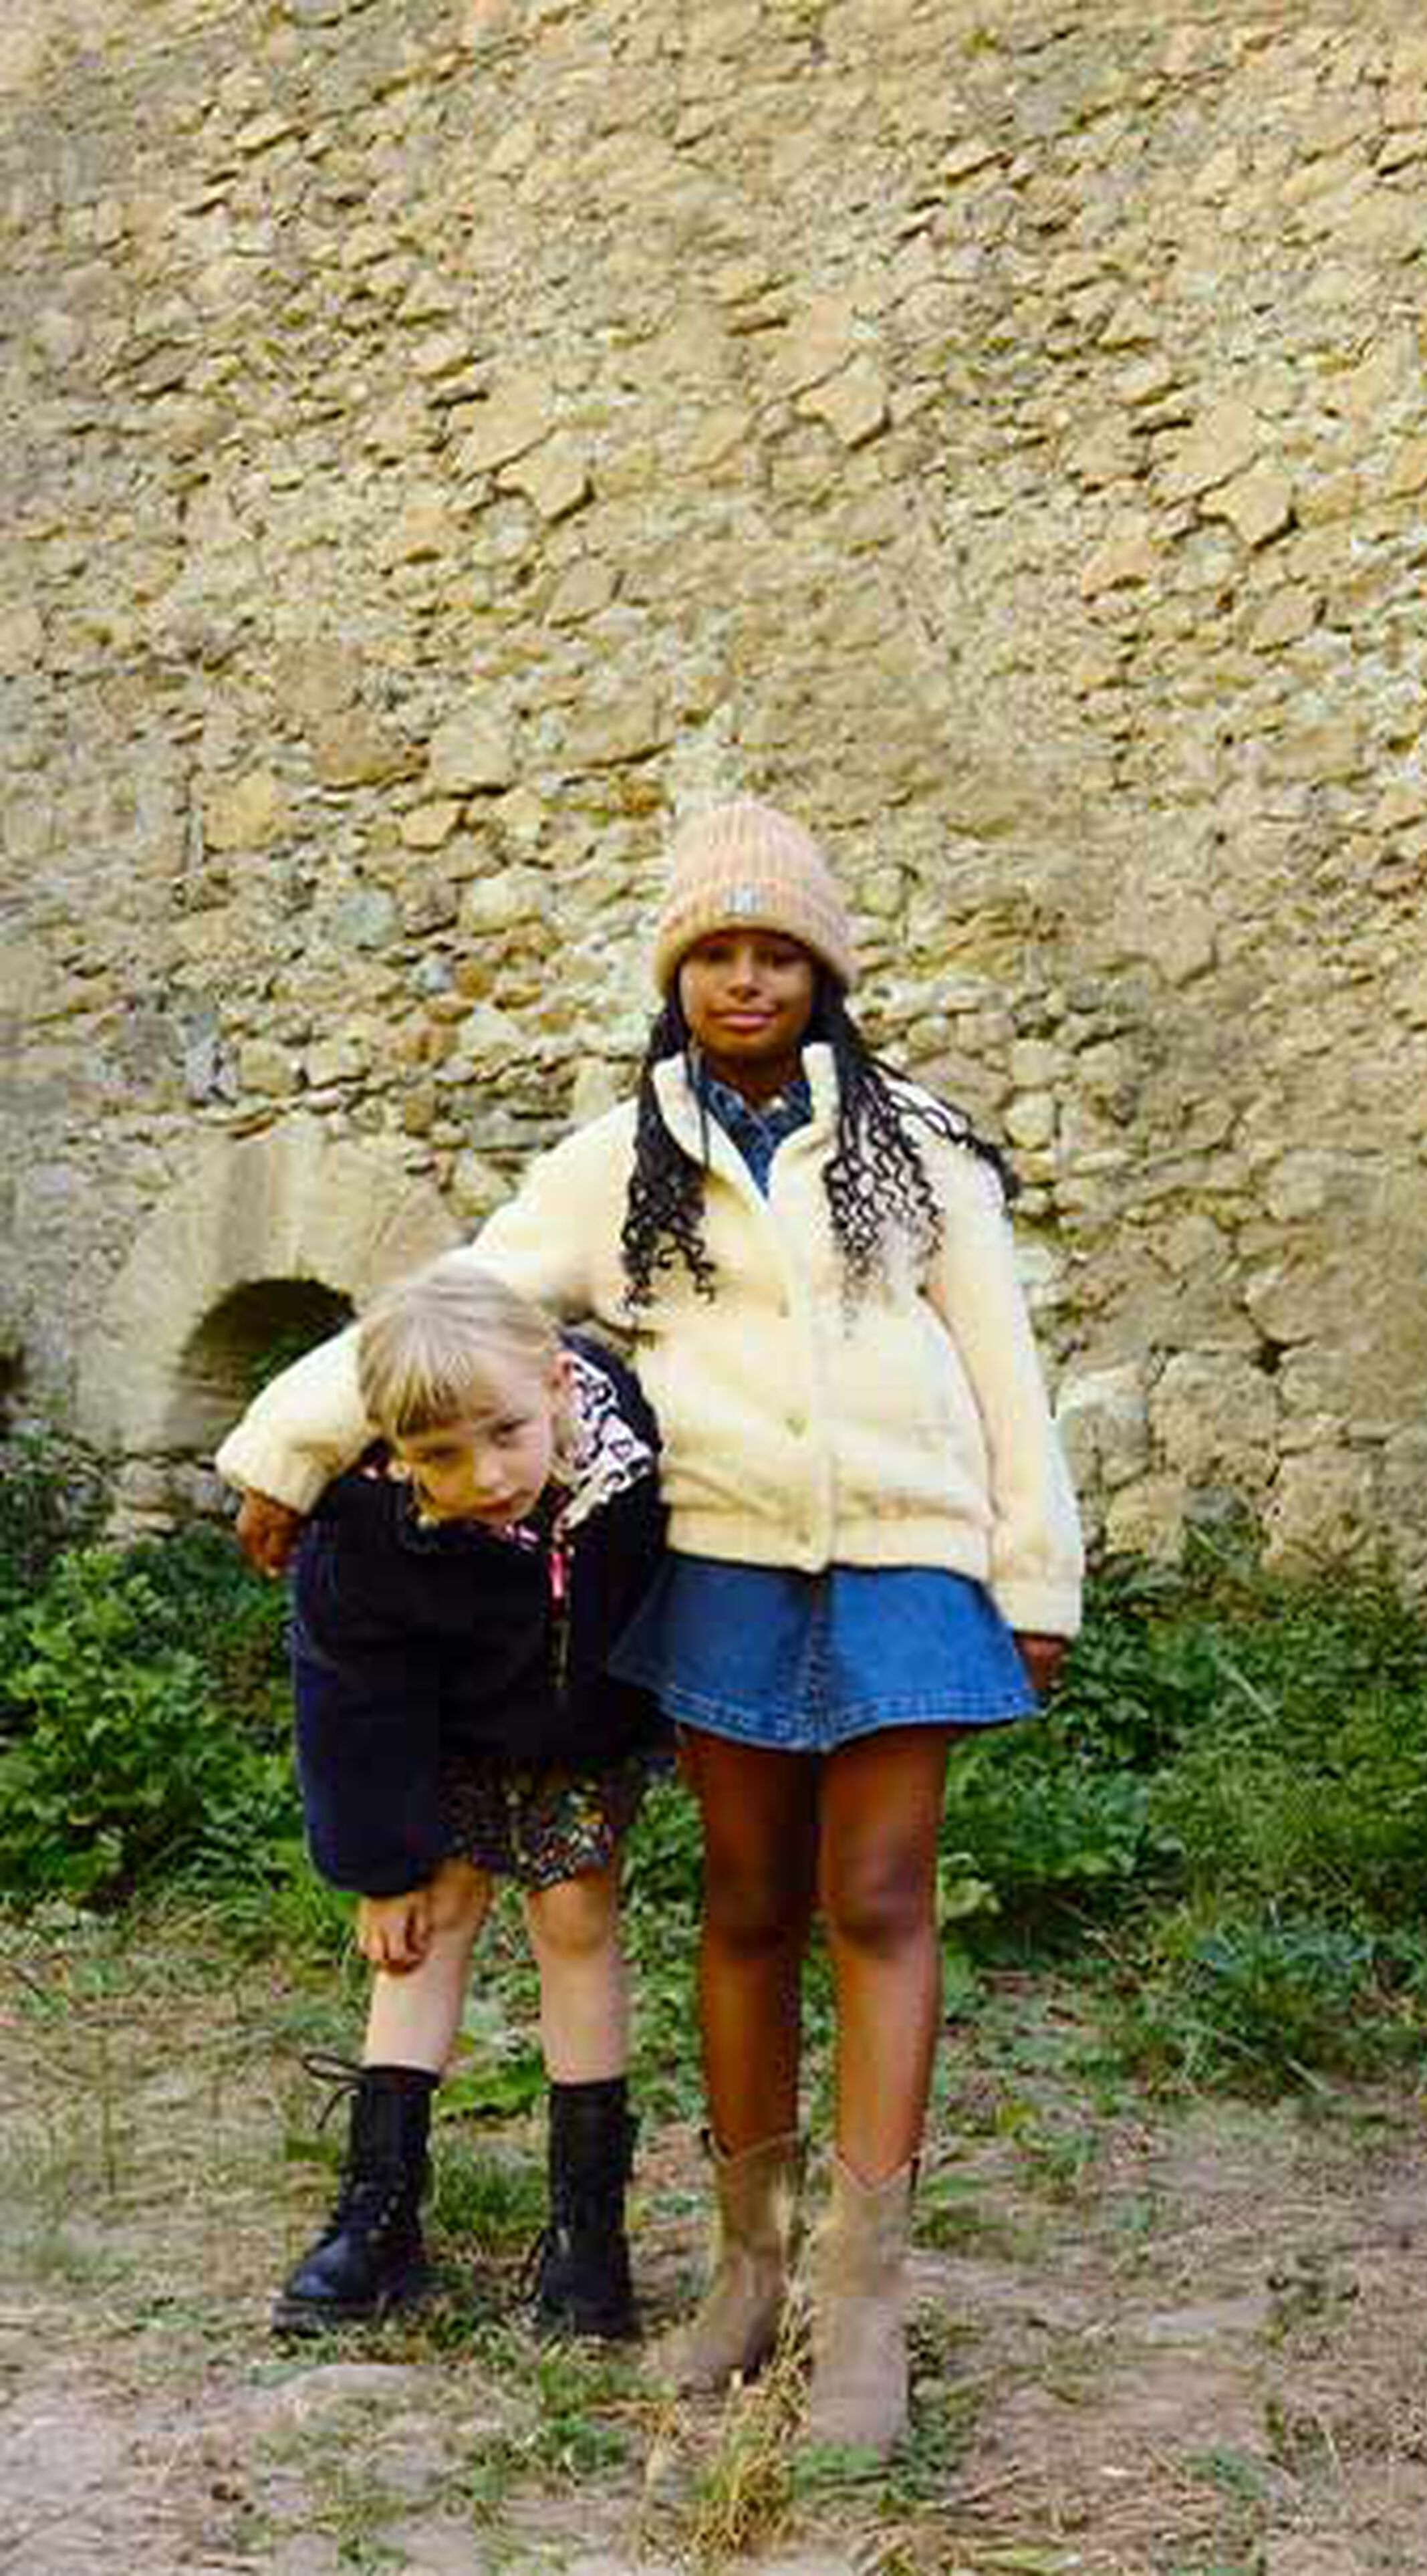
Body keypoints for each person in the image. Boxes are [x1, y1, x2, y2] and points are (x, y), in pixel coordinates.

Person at [219, 797, 1084, 2450]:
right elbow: (464, 1301)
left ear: (822, 974)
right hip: (730, 1567)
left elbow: (1004, 1369)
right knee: (750, 1906)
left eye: (776, 954)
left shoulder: (923, 1149)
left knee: (883, 1897)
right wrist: (290, 1435)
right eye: (714, 956)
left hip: (908, 1560)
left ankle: (865, 2308)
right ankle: (746, 2278)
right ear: (675, 976)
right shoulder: (622, 1157)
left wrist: (1031, 1575)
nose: (745, 982)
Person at [265, 1261, 668, 2341]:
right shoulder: (368, 1529)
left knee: (575, 1917)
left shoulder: (632, 1461)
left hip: (580, 1727)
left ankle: (590, 2240)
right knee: (425, 1928)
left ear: (554, 1387)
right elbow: (349, 1693)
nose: (485, 1474)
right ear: (394, 1447)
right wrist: (380, 1861)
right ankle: (380, 2215)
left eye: (505, 1434)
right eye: (439, 1455)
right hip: (433, 1737)